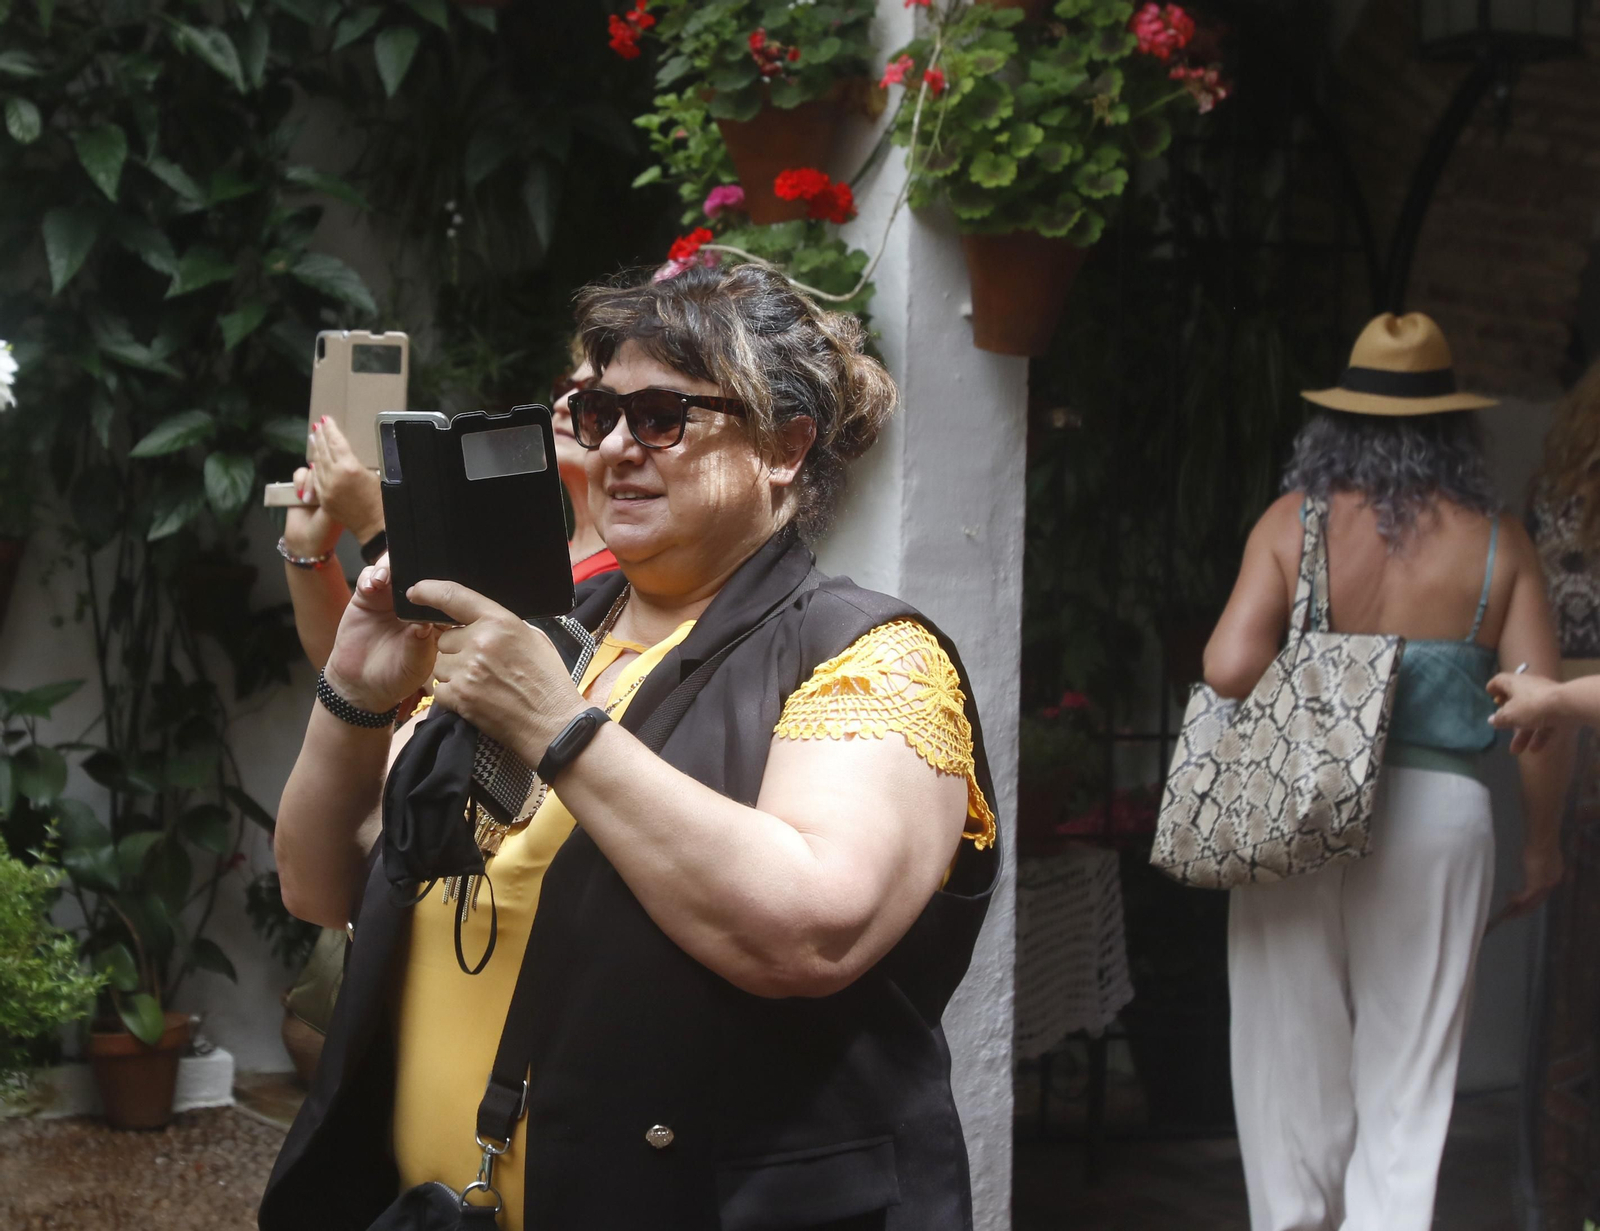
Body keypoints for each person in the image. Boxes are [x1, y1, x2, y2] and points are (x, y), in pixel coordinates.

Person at [259, 262, 1000, 1231]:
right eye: (595, 410)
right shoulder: (555, 633)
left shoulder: (871, 657)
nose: (616, 447)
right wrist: (353, 692)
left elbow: (814, 926)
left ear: (784, 447)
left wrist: (559, 731)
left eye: (662, 416)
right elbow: (323, 885)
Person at [1203, 312, 1572, 1231]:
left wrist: (1331, 664)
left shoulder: (1295, 522)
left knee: (1289, 1061)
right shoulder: (1500, 541)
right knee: (1409, 1078)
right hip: (1440, 817)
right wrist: (1543, 846)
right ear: (1455, 428)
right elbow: (1540, 713)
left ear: (1340, 423)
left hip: (1299, 805)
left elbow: (1226, 667)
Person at [279, 356, 619, 667]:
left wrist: (378, 527)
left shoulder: (624, 574)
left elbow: (476, 674)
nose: (561, 404)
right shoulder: (533, 550)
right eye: (564, 388)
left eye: (591, 397)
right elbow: (370, 671)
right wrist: (306, 552)